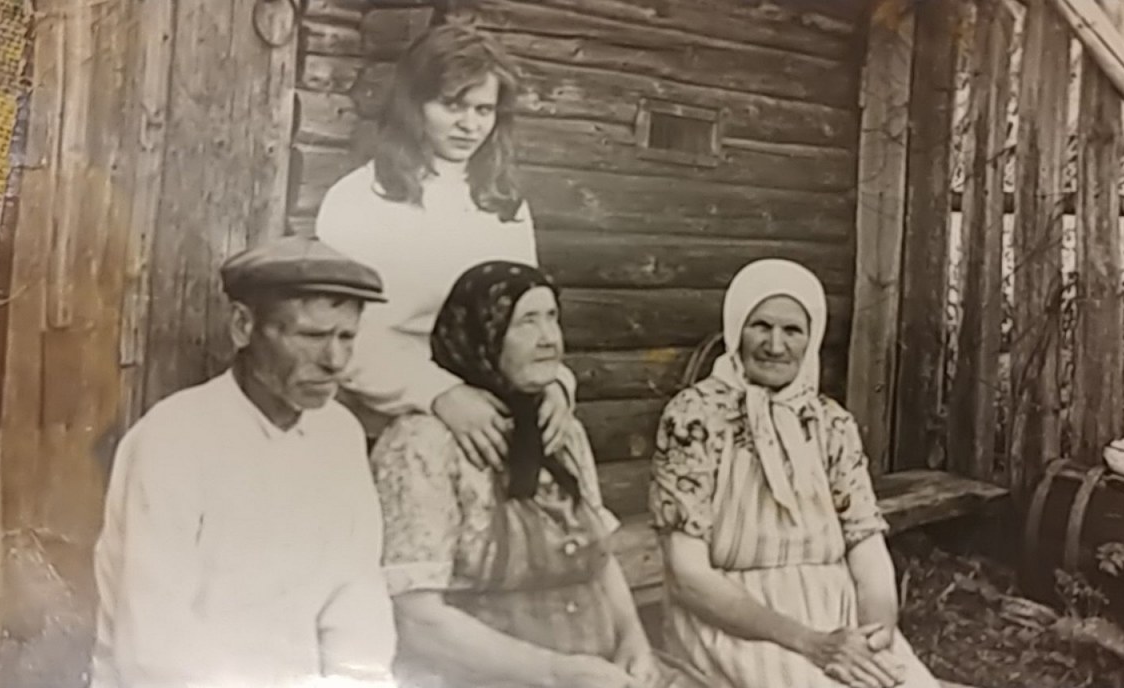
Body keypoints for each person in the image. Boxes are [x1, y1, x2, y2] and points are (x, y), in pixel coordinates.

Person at [369, 261, 706, 688]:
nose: (548, 338)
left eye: (552, 318)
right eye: (527, 321)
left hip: (597, 673)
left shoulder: (558, 429)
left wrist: (633, 643)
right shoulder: (422, 443)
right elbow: (417, 620)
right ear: (483, 336)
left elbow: (601, 562)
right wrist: (554, 673)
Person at [90, 236, 397, 688]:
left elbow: (356, 600)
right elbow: (154, 644)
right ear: (243, 326)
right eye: (311, 336)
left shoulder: (339, 435)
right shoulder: (174, 438)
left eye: (346, 337)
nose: (334, 361)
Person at [649, 259, 940, 688]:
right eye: (760, 326)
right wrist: (810, 643)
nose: (775, 345)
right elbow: (688, 575)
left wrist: (875, 640)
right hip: (738, 623)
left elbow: (867, 547)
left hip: (836, 613)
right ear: (737, 330)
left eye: (792, 330)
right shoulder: (694, 416)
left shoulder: (831, 423)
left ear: (811, 337)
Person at [315, 22, 575, 469]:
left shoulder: (503, 205)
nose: (470, 125)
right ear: (414, 104)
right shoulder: (359, 199)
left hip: (487, 423)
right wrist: (437, 392)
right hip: (380, 424)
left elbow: (523, 316)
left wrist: (552, 382)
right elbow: (339, 331)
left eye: (484, 109)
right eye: (452, 105)